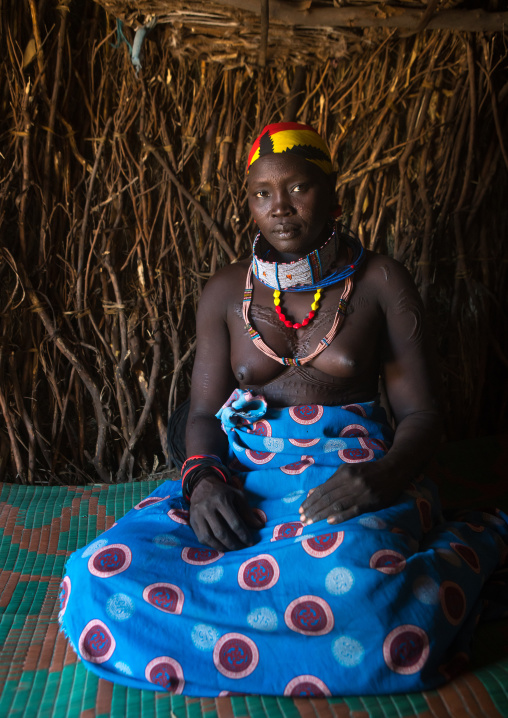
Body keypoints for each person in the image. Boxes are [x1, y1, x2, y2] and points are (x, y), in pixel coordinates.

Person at [58, 123, 508, 697]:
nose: (280, 208)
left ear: (334, 196)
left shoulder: (380, 283)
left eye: (298, 189)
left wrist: (383, 476)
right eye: (262, 193)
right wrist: (203, 484)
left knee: (380, 611)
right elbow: (202, 415)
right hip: (243, 475)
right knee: (97, 580)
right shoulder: (225, 292)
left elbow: (422, 417)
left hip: (348, 474)